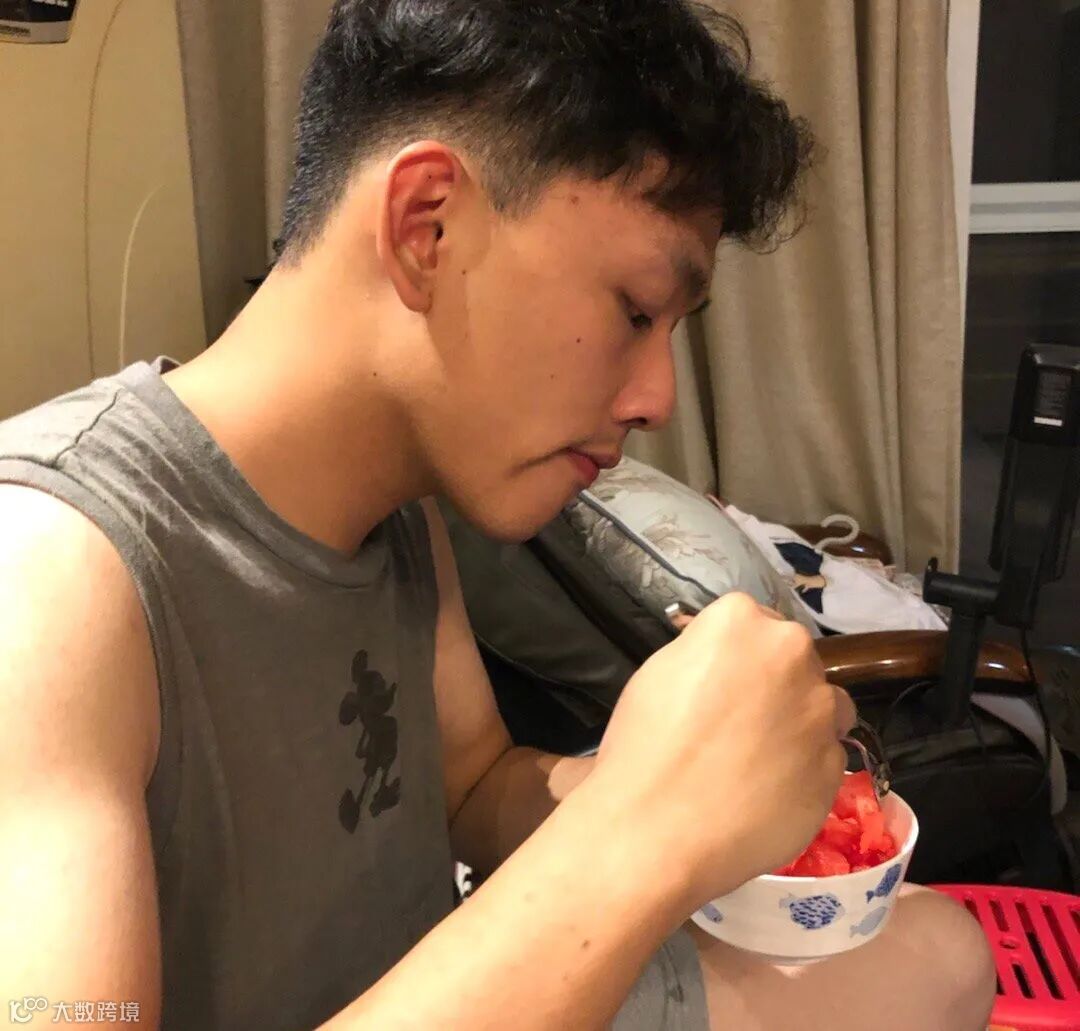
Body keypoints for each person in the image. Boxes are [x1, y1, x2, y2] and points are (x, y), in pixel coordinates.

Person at [0, 1, 996, 1028]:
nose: (657, 397)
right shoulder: (47, 573)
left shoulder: (402, 511)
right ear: (426, 226)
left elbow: (474, 786)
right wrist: (640, 827)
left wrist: (686, 778)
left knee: (944, 951)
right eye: (636, 308)